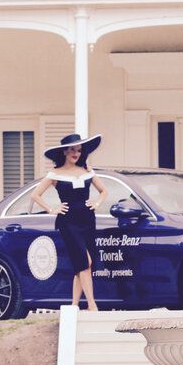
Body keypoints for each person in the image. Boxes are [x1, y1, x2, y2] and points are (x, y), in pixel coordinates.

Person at [31, 132, 106, 311]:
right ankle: (92, 305)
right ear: (64, 151)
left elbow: (103, 191)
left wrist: (96, 203)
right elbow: (35, 194)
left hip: (88, 220)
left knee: (82, 265)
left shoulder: (87, 171)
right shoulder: (55, 173)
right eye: (72, 149)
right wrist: (51, 209)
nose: (76, 153)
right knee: (85, 262)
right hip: (68, 222)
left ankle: (74, 305)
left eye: (79, 150)